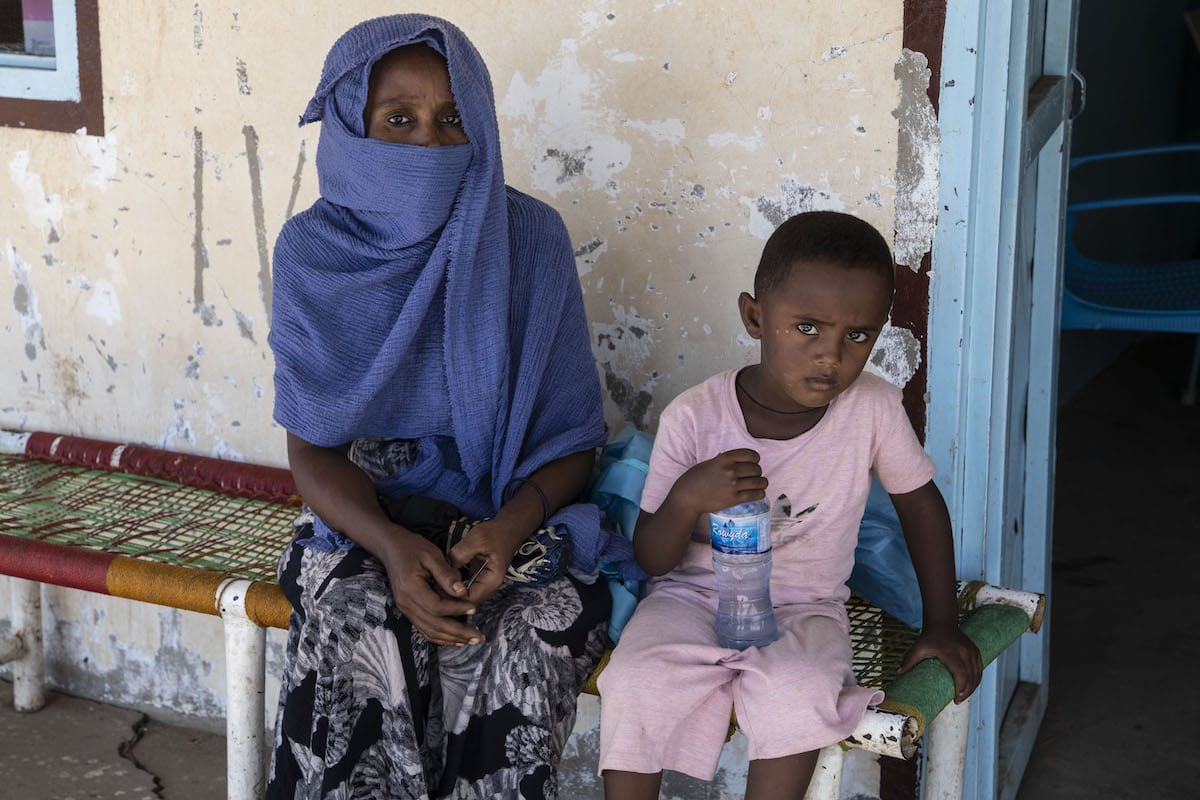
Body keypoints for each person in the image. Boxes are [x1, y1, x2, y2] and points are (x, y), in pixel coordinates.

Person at [266, 14, 621, 799]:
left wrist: (504, 532)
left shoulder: (529, 238)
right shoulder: (312, 253)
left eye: (453, 118)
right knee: (357, 618)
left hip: (510, 518)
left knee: (534, 629)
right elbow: (313, 450)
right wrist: (392, 549)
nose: (430, 143)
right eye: (399, 120)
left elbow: (573, 443)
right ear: (352, 128)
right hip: (363, 521)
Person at [596, 211, 984, 799]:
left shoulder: (872, 409)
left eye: (858, 336)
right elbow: (652, 559)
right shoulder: (696, 416)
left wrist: (941, 624)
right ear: (755, 316)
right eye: (808, 327)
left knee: (799, 691)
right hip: (690, 596)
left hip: (807, 606)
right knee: (635, 678)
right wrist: (688, 499)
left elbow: (922, 506)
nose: (831, 356)